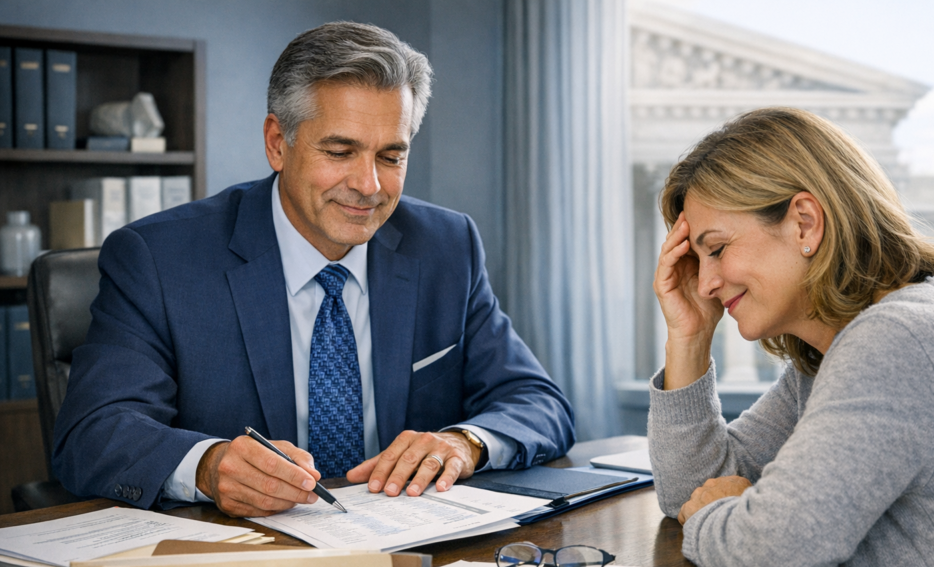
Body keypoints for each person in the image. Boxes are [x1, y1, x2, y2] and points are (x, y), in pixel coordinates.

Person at [53, 21, 574, 518]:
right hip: (238, 565)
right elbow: (93, 434)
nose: (369, 184)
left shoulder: (445, 245)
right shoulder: (159, 258)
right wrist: (208, 466)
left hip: (410, 546)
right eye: (341, 151)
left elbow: (537, 403)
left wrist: (464, 443)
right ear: (278, 143)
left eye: (391, 157)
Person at [649, 107, 934, 567]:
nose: (703, 282)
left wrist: (719, 512)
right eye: (696, 259)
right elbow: (687, 489)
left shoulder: (900, 341)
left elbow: (773, 554)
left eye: (717, 249)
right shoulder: (833, 355)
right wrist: (689, 337)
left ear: (804, 222)